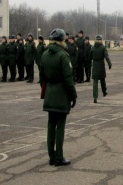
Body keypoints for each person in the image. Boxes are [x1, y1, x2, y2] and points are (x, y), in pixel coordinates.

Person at [40, 28, 77, 166]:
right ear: (62, 40)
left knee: (51, 125)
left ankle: (51, 156)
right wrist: (73, 95)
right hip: (61, 93)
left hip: (50, 91)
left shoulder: (44, 55)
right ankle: (59, 157)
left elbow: (42, 77)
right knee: (60, 126)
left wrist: (48, 89)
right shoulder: (63, 56)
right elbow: (68, 78)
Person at [90, 35, 112, 103]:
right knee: (102, 80)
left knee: (95, 82)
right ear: (101, 40)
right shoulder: (103, 48)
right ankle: (104, 91)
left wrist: (90, 64)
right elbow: (106, 57)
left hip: (95, 65)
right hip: (101, 65)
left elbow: (90, 57)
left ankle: (95, 97)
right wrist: (109, 64)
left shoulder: (92, 48)